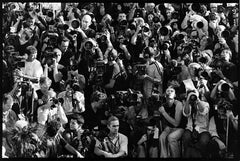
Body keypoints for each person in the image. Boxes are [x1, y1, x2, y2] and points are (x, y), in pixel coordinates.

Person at [158, 85, 186, 158]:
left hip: (180, 128)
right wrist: (165, 126)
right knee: (162, 137)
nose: (169, 92)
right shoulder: (164, 105)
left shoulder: (178, 104)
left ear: (175, 95)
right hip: (169, 128)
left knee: (171, 137)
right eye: (168, 91)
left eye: (172, 91)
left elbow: (176, 123)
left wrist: (163, 112)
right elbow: (163, 120)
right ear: (165, 94)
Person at [182, 90, 211, 158]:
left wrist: (197, 100)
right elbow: (186, 113)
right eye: (190, 95)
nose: (192, 96)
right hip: (190, 128)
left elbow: (203, 111)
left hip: (202, 129)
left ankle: (202, 156)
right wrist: (187, 101)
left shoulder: (205, 104)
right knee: (186, 137)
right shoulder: (187, 104)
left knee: (203, 141)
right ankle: (187, 155)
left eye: (194, 94)